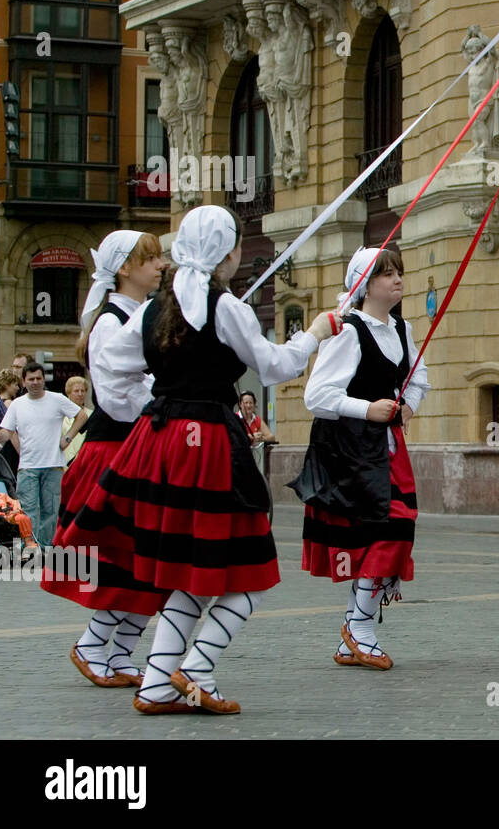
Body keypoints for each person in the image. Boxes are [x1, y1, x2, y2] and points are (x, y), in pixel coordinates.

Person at [64, 205, 339, 714]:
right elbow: (274, 365)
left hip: (159, 441)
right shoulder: (224, 305)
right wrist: (317, 332)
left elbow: (109, 369)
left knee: (188, 571)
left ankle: (155, 685)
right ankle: (194, 669)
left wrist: (156, 399)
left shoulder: (154, 309)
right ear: (228, 252)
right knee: (250, 573)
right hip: (209, 443)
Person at [42, 229, 166, 689]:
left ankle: (118, 651)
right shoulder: (112, 323)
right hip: (116, 452)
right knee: (125, 556)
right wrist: (166, 396)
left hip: (139, 449)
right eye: (150, 259)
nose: (159, 266)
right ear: (125, 269)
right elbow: (117, 400)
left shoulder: (140, 315)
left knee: (150, 557)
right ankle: (95, 645)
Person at [294, 247, 428, 671]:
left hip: (386, 447)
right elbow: (316, 396)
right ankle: (360, 627)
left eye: (399, 273)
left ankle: (357, 626)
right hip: (349, 448)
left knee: (396, 525)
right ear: (364, 285)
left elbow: (418, 376)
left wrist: (408, 403)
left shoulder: (402, 328)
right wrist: (366, 408)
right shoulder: (348, 330)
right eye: (386, 274)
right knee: (385, 529)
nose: (397, 280)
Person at [0, 361, 88, 547]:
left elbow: (82, 416)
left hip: (53, 465)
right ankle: (30, 547)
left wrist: (68, 438)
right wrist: (0, 437)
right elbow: (7, 431)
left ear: (43, 380)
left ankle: (46, 547)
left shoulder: (57, 399)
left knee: (50, 510)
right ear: (23, 381)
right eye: (31, 379)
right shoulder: (17, 405)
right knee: (28, 510)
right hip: (27, 467)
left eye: (39, 378)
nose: (35, 382)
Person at [237, 390, 276, 475]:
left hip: (251, 456)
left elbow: (272, 437)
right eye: (245, 403)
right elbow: (236, 437)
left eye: (251, 403)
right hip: (237, 457)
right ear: (240, 404)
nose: (248, 405)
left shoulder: (257, 419)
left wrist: (261, 438)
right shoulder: (235, 418)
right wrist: (252, 437)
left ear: (254, 405)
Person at [61, 377, 93, 466]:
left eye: (83, 391)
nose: (80, 394)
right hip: (65, 465)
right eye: (76, 391)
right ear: (68, 393)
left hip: (86, 464)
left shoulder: (92, 415)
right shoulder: (61, 416)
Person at [0, 369, 21, 474]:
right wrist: (21, 452)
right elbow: (12, 430)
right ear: (7, 385)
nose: (18, 388)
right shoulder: (9, 403)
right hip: (9, 448)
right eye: (15, 385)